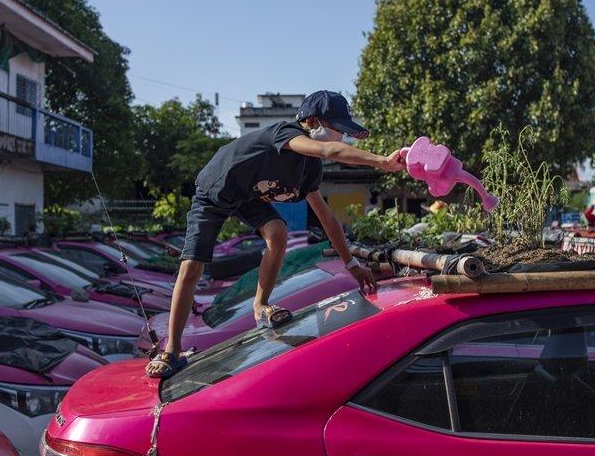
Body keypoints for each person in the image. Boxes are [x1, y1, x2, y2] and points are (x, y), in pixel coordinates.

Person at [146, 90, 405, 378]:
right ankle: (171, 350)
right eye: (338, 130)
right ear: (313, 122)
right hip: (215, 192)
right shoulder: (286, 132)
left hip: (249, 197)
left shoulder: (310, 170)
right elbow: (328, 150)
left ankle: (261, 305)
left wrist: (352, 265)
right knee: (192, 265)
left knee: (278, 233)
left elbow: (328, 219)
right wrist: (382, 161)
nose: (340, 139)